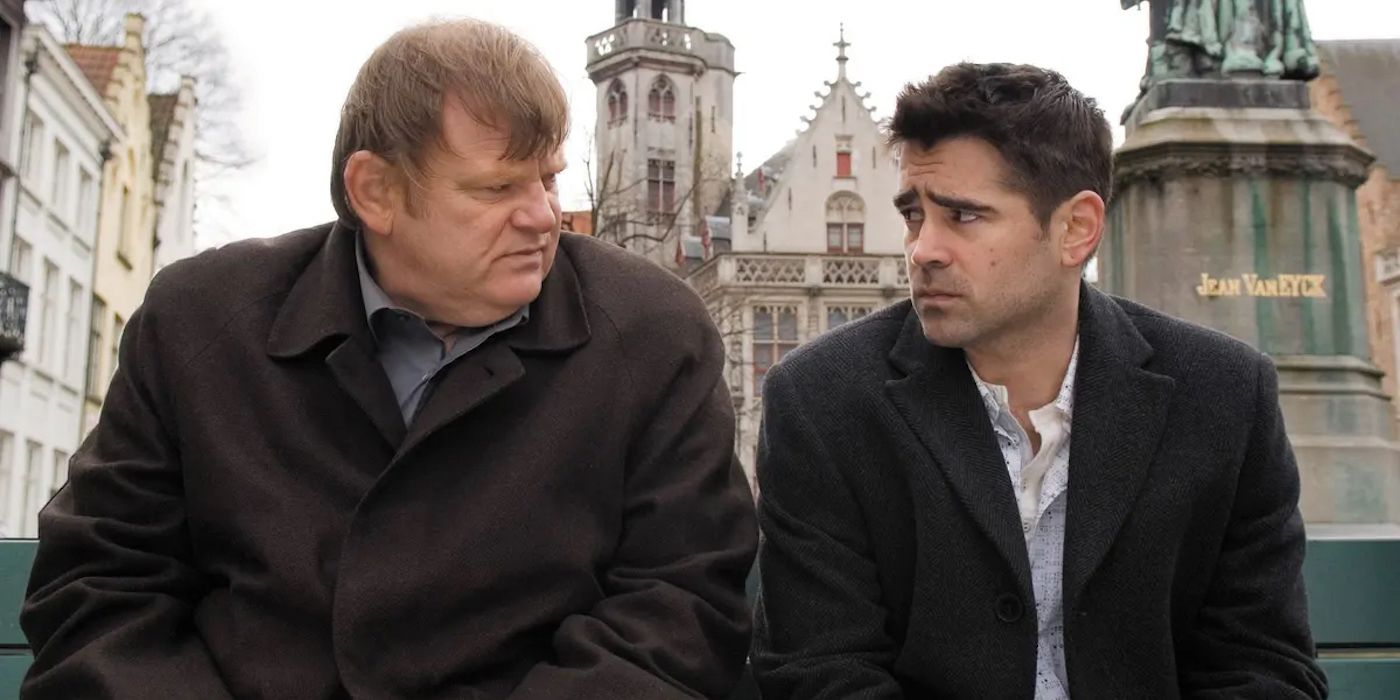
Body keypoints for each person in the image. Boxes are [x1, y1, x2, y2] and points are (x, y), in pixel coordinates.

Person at [22, 18, 757, 700]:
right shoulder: (202, 325)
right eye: (497, 187)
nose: (542, 216)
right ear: (375, 191)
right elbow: (101, 587)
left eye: (549, 178)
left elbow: (679, 607)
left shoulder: (652, 335)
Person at [750, 62, 1326, 699]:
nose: (922, 249)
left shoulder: (1222, 395)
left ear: (1076, 229)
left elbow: (1265, 668)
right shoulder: (822, 401)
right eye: (915, 214)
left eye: (963, 217)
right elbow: (817, 673)